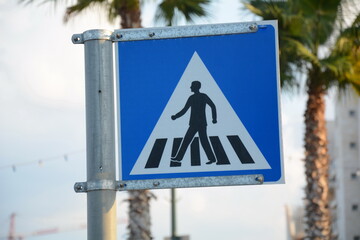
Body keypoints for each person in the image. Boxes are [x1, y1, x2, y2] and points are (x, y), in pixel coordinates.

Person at [171, 81, 217, 164]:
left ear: (196, 87)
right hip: (197, 123)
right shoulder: (193, 97)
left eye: (192, 86)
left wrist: (214, 119)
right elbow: (184, 110)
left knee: (200, 141)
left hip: (198, 123)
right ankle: (178, 158)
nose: (190, 87)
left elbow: (213, 106)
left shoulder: (201, 96)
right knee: (189, 140)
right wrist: (176, 116)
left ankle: (179, 158)